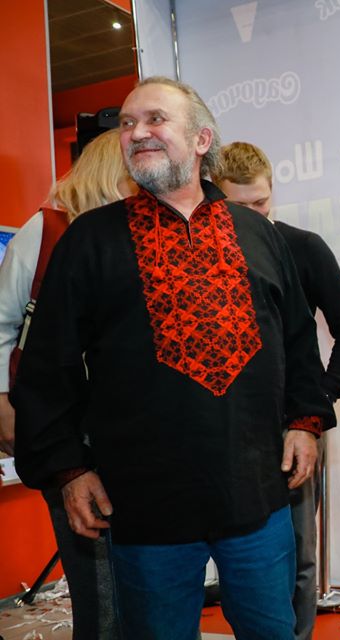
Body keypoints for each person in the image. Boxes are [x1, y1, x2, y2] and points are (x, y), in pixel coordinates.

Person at [13, 76, 335, 640]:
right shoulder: (90, 240)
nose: (138, 132)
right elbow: (48, 365)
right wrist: (70, 469)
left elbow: (297, 340)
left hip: (257, 491)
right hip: (144, 501)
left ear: (202, 139)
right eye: (128, 124)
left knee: (272, 631)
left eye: (155, 119)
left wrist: (305, 422)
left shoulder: (257, 233)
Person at [215, 141, 340, 640]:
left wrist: (322, 398)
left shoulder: (302, 246)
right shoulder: (200, 252)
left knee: (297, 552)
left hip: (291, 427)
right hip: (223, 426)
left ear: (273, 192)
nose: (252, 215)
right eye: (239, 206)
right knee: (232, 552)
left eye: (260, 203)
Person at [0, 128, 132, 639]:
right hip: (66, 426)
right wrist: (3, 403)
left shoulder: (138, 233)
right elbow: (3, 322)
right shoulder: (46, 230)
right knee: (96, 580)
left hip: (129, 423)